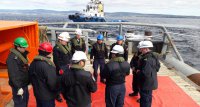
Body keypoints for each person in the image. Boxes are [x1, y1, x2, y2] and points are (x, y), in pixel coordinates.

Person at [29, 42, 57, 107]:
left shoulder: (33, 62)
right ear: (49, 53)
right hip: (47, 96)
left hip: (37, 93)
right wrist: (56, 92)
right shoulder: (47, 65)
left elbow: (30, 77)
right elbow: (52, 83)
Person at [6, 37, 30, 107]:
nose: (25, 49)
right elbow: (13, 74)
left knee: (25, 101)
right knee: (20, 103)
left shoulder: (21, 54)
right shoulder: (12, 59)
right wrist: (18, 87)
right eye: (23, 47)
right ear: (18, 47)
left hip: (23, 84)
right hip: (19, 85)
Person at [137, 41, 160, 107]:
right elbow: (158, 67)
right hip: (151, 81)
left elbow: (145, 73)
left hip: (146, 83)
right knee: (148, 97)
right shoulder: (154, 56)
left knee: (145, 99)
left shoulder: (147, 59)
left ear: (146, 48)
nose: (140, 50)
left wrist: (138, 72)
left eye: (142, 49)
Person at [53, 32, 72, 102]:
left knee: (66, 80)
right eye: (65, 41)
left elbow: (69, 55)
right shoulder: (56, 48)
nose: (66, 42)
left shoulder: (65, 46)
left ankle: (66, 93)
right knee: (59, 82)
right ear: (60, 40)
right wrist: (59, 69)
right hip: (61, 67)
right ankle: (57, 95)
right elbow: (56, 60)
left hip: (67, 66)